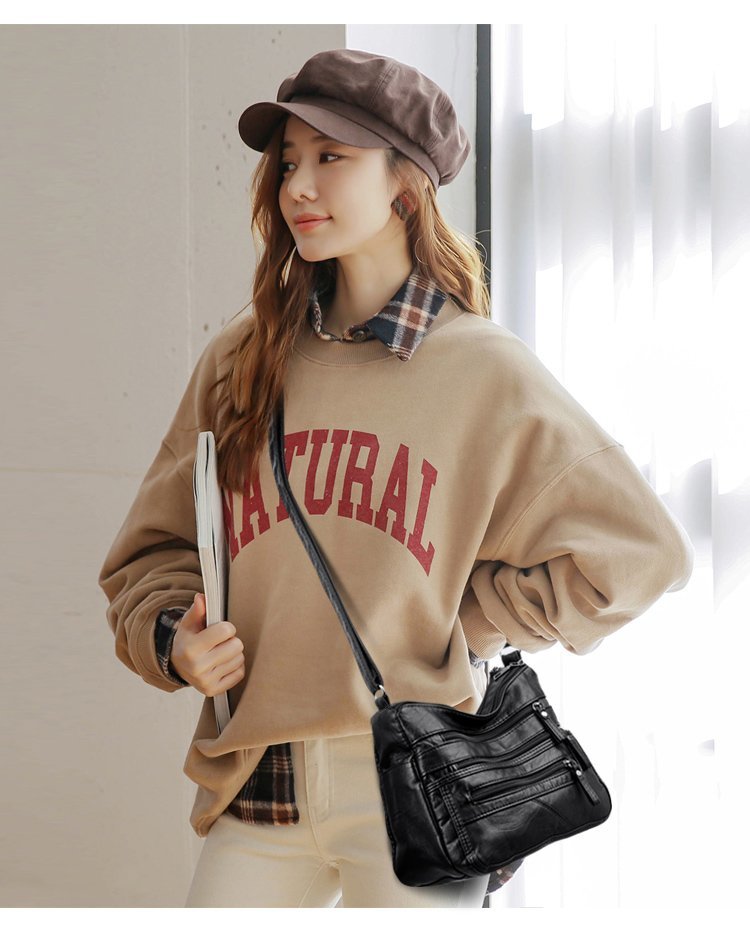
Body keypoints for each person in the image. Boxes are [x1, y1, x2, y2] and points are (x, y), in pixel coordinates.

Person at [98, 48, 694, 909]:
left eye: (332, 156)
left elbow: (641, 553)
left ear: (405, 185)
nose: (300, 186)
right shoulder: (241, 358)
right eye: (289, 162)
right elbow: (151, 553)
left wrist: (471, 619)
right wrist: (172, 638)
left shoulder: (481, 369)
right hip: (259, 773)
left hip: (418, 776)